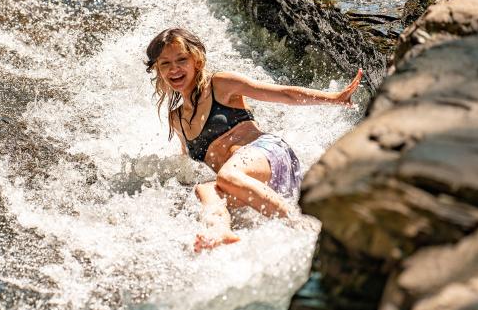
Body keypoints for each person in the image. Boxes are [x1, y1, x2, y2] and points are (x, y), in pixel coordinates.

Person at [144, 28, 361, 252]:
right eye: (165, 64)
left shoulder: (219, 85)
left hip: (268, 154)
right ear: (158, 70)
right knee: (205, 191)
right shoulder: (176, 119)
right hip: (250, 184)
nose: (174, 69)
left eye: (181, 59)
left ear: (196, 60)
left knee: (227, 176)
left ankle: (306, 227)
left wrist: (334, 98)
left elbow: (283, 94)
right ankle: (219, 230)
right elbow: (187, 165)